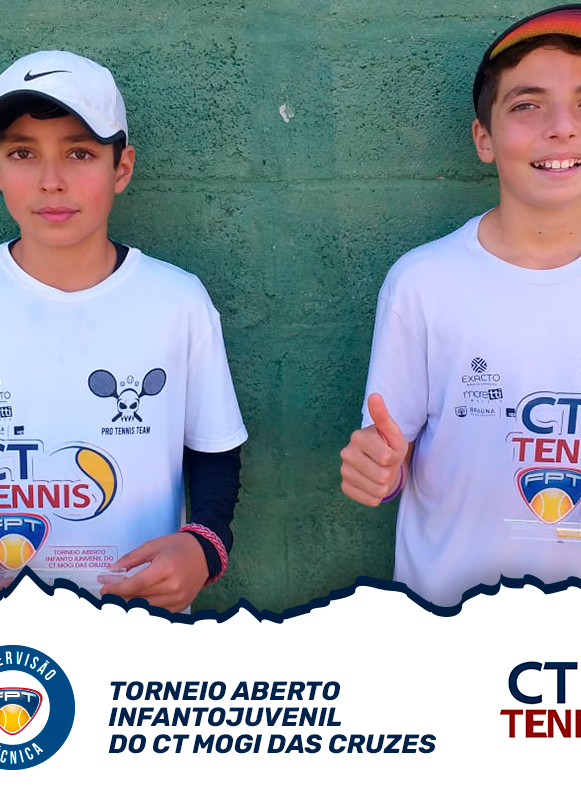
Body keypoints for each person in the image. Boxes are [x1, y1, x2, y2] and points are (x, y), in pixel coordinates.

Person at [340, 5, 581, 606]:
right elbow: (389, 458)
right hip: (452, 622)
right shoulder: (425, 283)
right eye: (527, 105)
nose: (562, 127)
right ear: (484, 139)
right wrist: (378, 472)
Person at [0, 50, 247, 613]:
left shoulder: (176, 300)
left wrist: (205, 546)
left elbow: (213, 450)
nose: (51, 181)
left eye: (80, 153)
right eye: (21, 153)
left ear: (122, 168)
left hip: (136, 622)